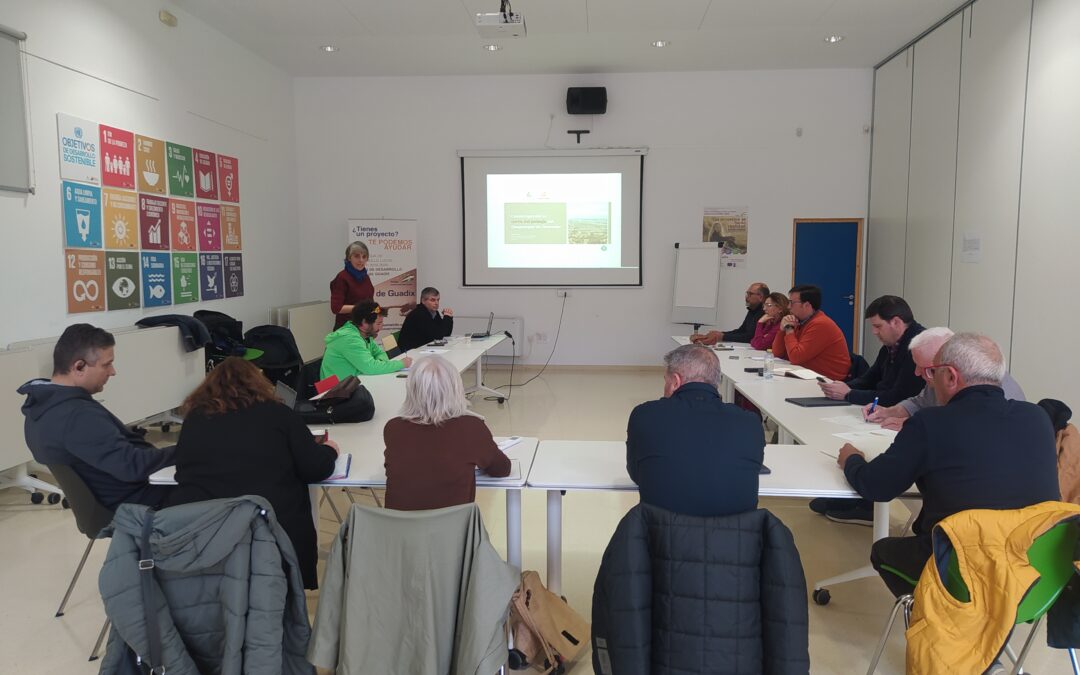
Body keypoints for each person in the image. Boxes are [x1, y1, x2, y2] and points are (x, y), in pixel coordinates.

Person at [836, 333, 1059, 598]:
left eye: (932, 373)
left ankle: (940, 616)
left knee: (883, 550)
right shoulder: (1037, 417)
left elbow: (876, 487)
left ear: (951, 376)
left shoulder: (931, 423)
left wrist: (851, 459)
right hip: (1034, 570)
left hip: (959, 569)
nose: (927, 381)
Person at [165, 357, 339, 590]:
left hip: (211, 537)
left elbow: (183, 470)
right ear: (257, 382)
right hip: (275, 536)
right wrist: (329, 450)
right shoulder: (279, 414)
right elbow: (316, 468)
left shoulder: (194, 420)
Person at [18, 324, 174, 509]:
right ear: (79, 366)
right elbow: (133, 467)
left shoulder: (41, 405)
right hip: (138, 506)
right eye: (106, 364)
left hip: (118, 502)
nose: (112, 371)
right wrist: (190, 449)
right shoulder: (77, 416)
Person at [626, 344, 765, 517]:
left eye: (665, 380)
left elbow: (637, 474)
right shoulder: (750, 422)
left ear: (675, 382)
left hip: (661, 537)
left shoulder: (645, 415)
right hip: (736, 540)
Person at [383, 355, 510, 510]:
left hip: (397, 532)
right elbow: (502, 469)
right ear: (455, 388)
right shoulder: (471, 428)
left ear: (412, 389)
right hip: (454, 532)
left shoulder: (393, 428)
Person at [865, 326, 1026, 430]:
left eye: (925, 368)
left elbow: (971, 430)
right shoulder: (938, 375)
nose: (917, 373)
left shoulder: (990, 386)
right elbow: (919, 402)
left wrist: (913, 426)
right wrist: (889, 412)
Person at [819, 295, 925, 405]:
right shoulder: (891, 344)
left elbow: (899, 397)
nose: (874, 332)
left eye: (878, 326)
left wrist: (849, 394)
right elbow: (869, 379)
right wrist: (839, 388)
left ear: (896, 322)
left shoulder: (919, 348)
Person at [771, 284, 851, 381]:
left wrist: (789, 329)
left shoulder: (821, 324)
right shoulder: (799, 321)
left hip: (828, 382)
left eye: (791, 303)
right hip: (807, 375)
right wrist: (781, 330)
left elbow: (796, 357)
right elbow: (777, 353)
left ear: (807, 305)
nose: (788, 307)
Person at [321, 301, 413, 379]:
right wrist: (401, 364)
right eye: (379, 323)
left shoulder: (364, 334)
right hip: (336, 391)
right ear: (364, 322)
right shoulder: (350, 339)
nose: (381, 327)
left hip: (355, 383)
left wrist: (379, 362)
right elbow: (370, 367)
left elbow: (380, 353)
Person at [690, 282, 769, 345]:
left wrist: (723, 336)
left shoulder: (765, 313)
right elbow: (741, 331)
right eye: (747, 293)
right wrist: (719, 334)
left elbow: (750, 337)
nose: (746, 297)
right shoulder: (752, 310)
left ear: (761, 297)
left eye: (750, 294)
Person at [330, 241, 374, 330]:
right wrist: (360, 308)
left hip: (364, 328)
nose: (361, 260)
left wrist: (379, 311)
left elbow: (370, 304)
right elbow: (336, 308)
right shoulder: (342, 277)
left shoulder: (366, 277)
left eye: (364, 257)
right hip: (346, 329)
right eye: (357, 256)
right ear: (349, 258)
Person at [397, 286, 454, 351]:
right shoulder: (419, 314)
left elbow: (445, 333)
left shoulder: (434, 312)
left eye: (438, 300)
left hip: (423, 348)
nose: (436, 303)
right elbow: (438, 336)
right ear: (423, 301)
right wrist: (446, 318)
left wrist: (449, 317)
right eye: (432, 300)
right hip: (410, 351)